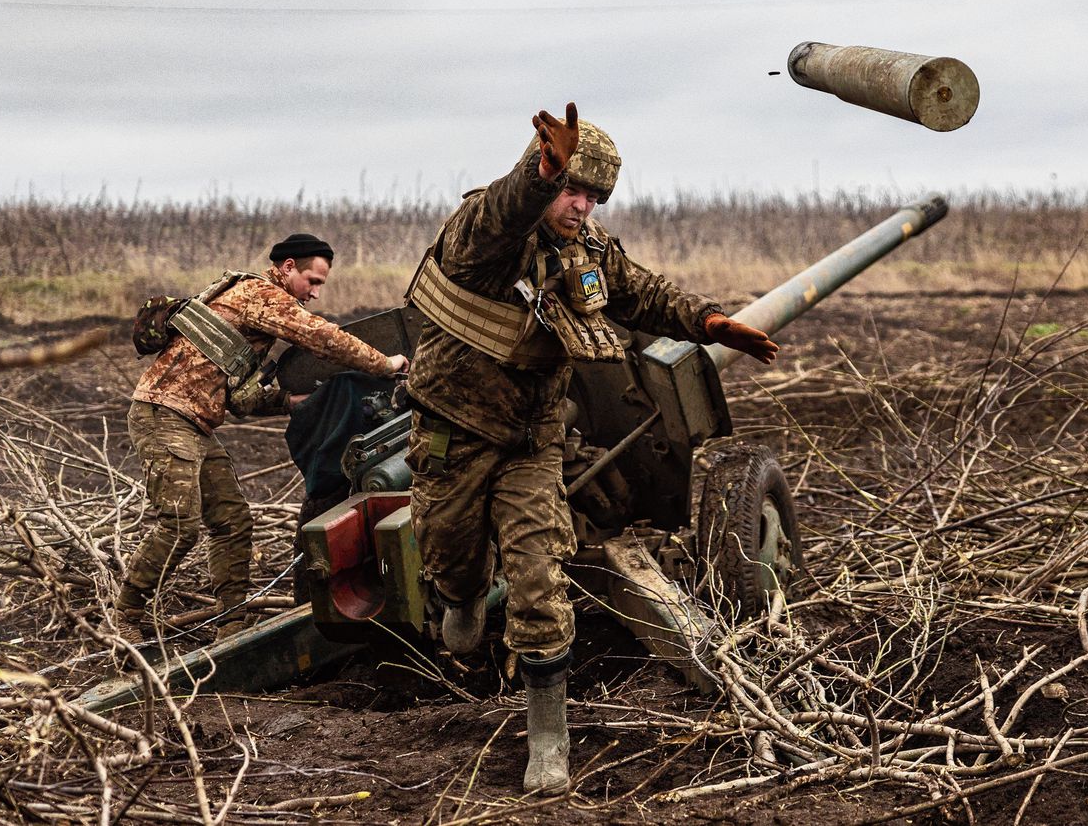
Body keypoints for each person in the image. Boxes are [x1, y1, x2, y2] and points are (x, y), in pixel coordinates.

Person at [402, 103, 777, 795]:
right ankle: (459, 597)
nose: (582, 206)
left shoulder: (591, 250)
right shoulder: (487, 233)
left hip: (531, 440)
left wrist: (715, 323)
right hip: (452, 431)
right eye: (574, 190)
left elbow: (643, 295)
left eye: (594, 196)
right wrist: (539, 171)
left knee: (540, 580)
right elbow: (505, 212)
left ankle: (550, 739)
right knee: (451, 559)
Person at [114, 233, 409, 645]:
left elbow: (240, 399)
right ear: (287, 268)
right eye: (313, 281)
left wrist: (291, 401)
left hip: (195, 423)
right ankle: (125, 614)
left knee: (232, 521)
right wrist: (384, 362)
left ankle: (232, 623)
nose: (316, 294)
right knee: (180, 524)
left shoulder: (251, 306)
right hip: (163, 415)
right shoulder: (259, 293)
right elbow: (320, 337)